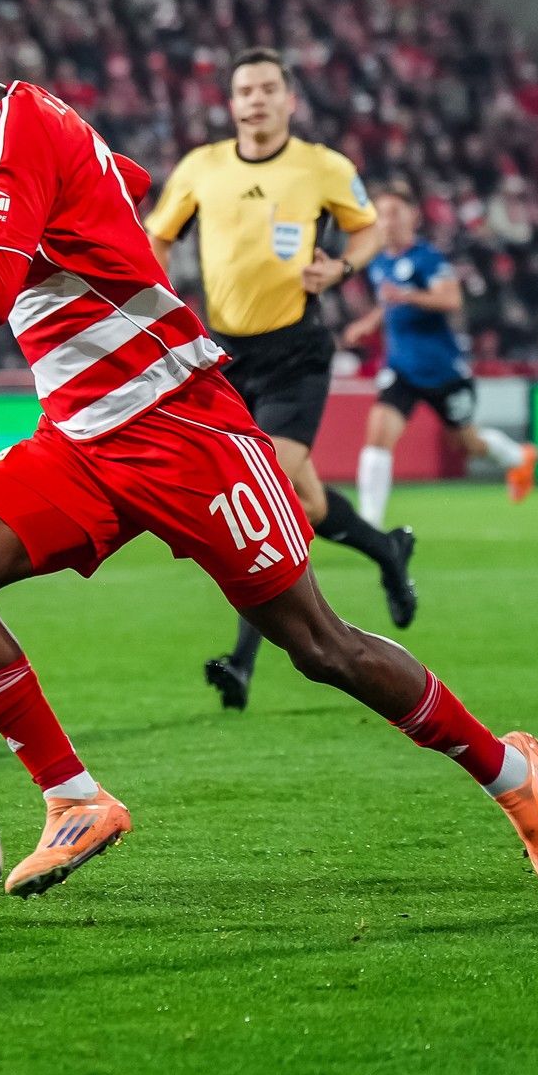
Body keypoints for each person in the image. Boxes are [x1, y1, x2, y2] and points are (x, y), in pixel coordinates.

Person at [0, 16, 538, 900]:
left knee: (322, 648)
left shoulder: (12, 133)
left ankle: (511, 773)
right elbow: (125, 179)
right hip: (83, 436)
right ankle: (74, 798)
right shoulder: (14, 129)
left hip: (181, 428)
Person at [145, 47, 417, 712]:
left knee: (261, 497)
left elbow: (366, 231)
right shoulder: (201, 167)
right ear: (231, 103)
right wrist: (159, 299)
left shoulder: (323, 166)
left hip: (296, 353)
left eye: (269, 88)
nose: (257, 100)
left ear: (290, 100)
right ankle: (386, 550)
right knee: (308, 505)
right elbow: (157, 236)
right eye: (246, 90)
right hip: (225, 357)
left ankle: (241, 662)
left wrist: (342, 269)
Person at [344, 189, 538, 526]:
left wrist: (408, 295)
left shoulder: (428, 258)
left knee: (467, 443)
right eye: (381, 214)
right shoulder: (379, 261)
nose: (387, 221)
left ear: (413, 216)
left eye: (394, 212)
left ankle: (517, 456)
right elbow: (389, 301)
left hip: (442, 370)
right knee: (378, 435)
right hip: (401, 369)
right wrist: (370, 322)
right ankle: (370, 525)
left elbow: (451, 299)